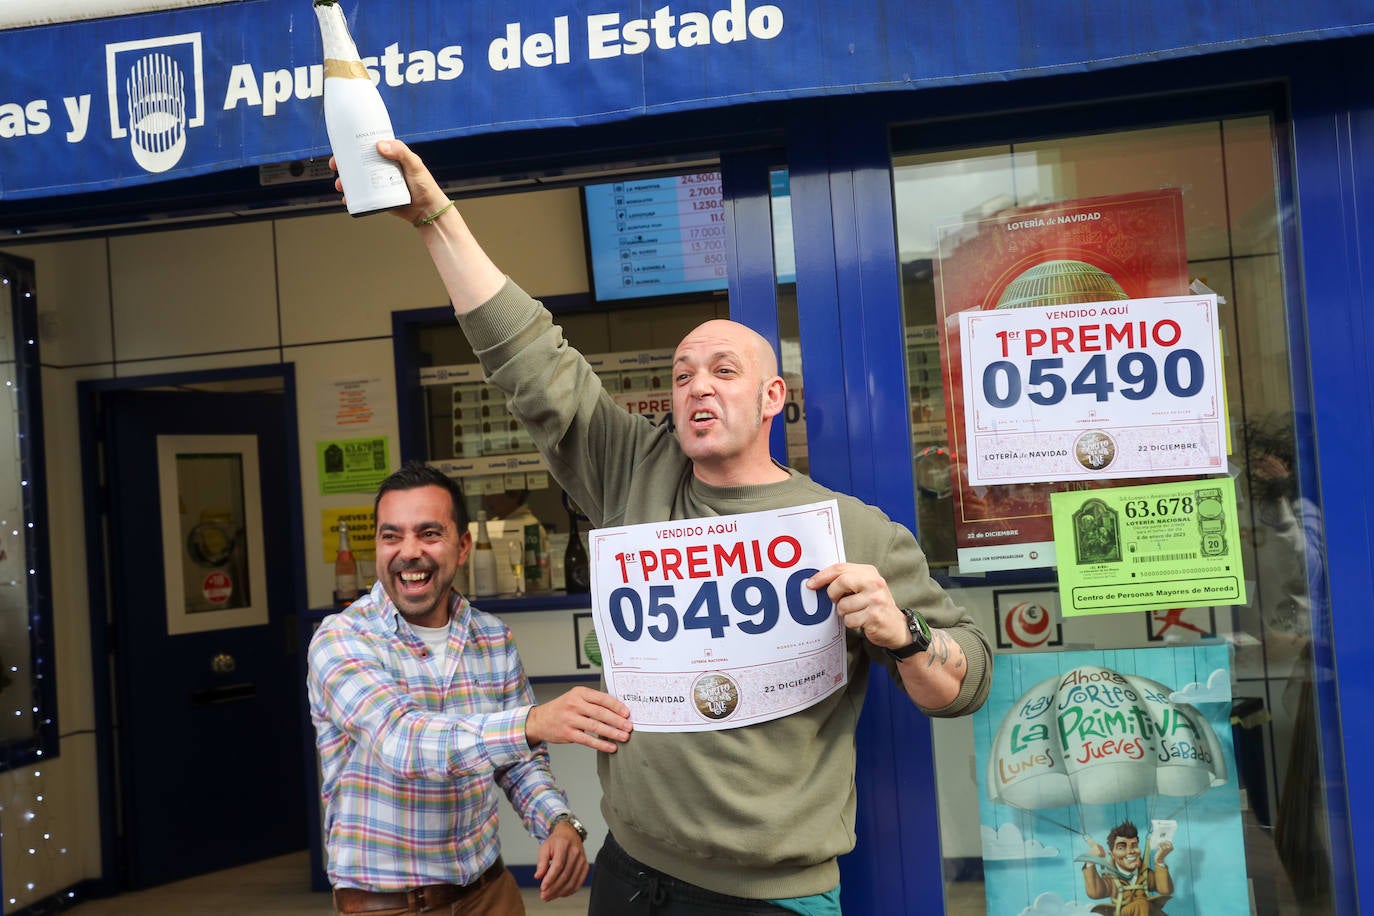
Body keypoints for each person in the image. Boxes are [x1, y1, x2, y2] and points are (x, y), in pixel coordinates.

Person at [345, 140, 993, 915]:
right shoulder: (635, 470)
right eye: (683, 374)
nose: (696, 387)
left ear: (771, 397)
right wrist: (435, 219)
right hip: (631, 871)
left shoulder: (851, 531)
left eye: (724, 371)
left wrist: (906, 633)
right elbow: (531, 361)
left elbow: (964, 685)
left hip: (770, 895)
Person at [307, 463, 634, 915]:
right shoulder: (342, 639)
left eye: (428, 534)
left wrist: (560, 824)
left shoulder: (491, 638)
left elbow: (519, 762)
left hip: (489, 892)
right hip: (389, 905)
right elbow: (403, 742)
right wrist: (533, 722)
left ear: (462, 547)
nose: (409, 552)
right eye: (392, 536)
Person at [1078, 820, 1174, 915]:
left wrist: (1159, 861)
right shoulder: (1111, 879)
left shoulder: (1145, 874)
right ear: (1112, 854)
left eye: (1134, 845)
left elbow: (1165, 890)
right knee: (1141, 905)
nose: (1130, 851)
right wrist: (1090, 861)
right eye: (1121, 847)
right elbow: (1095, 892)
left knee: (1144, 906)